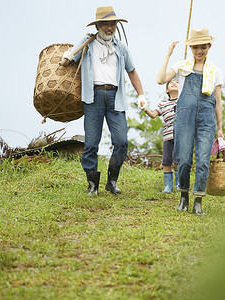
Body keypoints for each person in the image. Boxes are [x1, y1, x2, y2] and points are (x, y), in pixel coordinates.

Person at [60, 6, 147, 196]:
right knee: (91, 143)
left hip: (116, 98)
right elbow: (69, 61)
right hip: (94, 98)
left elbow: (131, 70)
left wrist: (141, 95)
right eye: (106, 24)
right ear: (98, 25)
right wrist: (66, 57)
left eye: (113, 23)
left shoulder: (120, 47)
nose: (110, 27)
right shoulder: (87, 42)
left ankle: (112, 181)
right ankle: (92, 185)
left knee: (122, 141)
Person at [157, 27, 224, 215]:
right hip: (184, 117)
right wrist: (168, 54)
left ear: (209, 47)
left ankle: (198, 201)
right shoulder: (181, 67)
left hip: (207, 119)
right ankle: (184, 196)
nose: (199, 51)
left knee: (203, 160)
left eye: (203, 47)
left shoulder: (216, 71)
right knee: (184, 160)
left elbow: (218, 102)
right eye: (195, 47)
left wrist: (220, 129)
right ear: (191, 47)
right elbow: (160, 79)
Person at [142, 80, 180, 193]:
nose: (174, 83)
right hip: (167, 138)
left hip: (180, 136)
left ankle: (179, 184)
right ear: (167, 90)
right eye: (171, 82)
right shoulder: (163, 104)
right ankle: (168, 186)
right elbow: (153, 115)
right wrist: (145, 109)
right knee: (166, 162)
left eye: (177, 82)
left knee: (178, 160)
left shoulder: (183, 101)